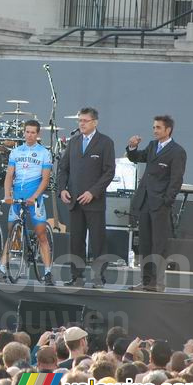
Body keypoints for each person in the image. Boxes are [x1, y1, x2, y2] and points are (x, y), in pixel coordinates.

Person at [126, 115, 187, 292]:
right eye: (154, 127)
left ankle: (158, 282)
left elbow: (176, 179)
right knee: (144, 243)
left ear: (168, 130)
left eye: (158, 127)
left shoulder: (177, 151)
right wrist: (132, 147)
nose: (154, 130)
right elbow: (137, 157)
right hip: (145, 201)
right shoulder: (153, 146)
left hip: (160, 203)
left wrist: (166, 200)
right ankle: (145, 281)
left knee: (158, 244)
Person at [56, 107, 116, 287]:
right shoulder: (74, 142)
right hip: (74, 200)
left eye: (85, 120)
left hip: (94, 201)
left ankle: (99, 276)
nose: (81, 123)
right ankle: (77, 276)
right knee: (76, 241)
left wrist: (93, 192)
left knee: (97, 241)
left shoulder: (105, 142)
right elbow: (63, 168)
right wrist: (62, 189)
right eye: (79, 120)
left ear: (94, 122)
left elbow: (109, 172)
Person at [0, 120, 54, 285]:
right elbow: (9, 176)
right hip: (17, 197)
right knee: (11, 234)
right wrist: (7, 194)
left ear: (38, 135)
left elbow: (45, 179)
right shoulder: (16, 151)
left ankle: (48, 271)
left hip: (34, 199)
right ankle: (2, 268)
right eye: (27, 132)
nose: (29, 135)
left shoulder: (44, 153)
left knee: (41, 235)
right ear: (24, 132)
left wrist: (35, 197)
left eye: (32, 132)